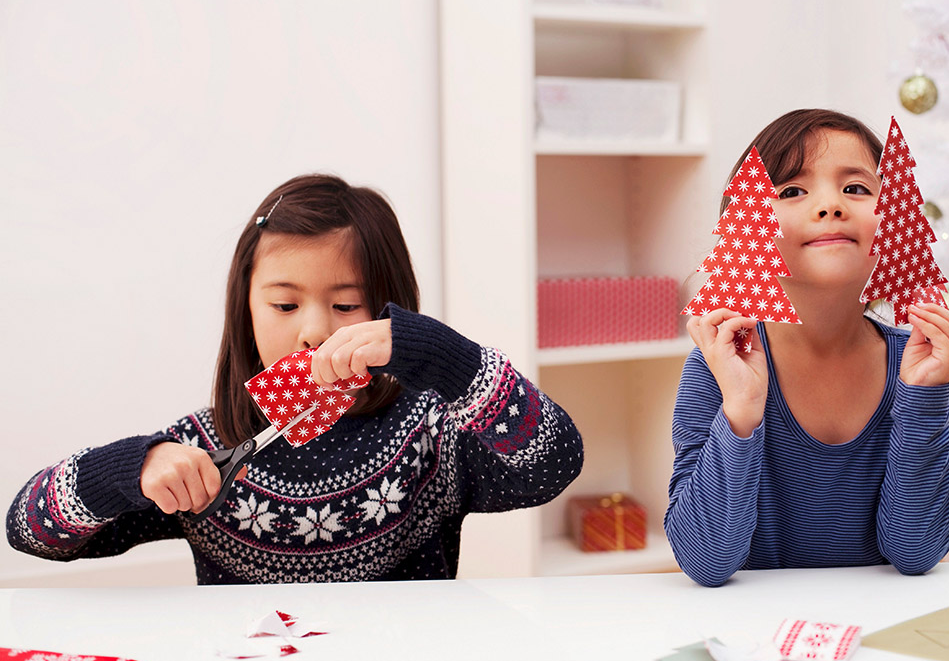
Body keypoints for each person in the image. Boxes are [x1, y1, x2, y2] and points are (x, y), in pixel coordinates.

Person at [7, 174, 583, 584]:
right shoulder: (205, 452)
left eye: (347, 305)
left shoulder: (432, 433)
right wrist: (130, 467)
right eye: (285, 306)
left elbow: (554, 462)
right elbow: (29, 532)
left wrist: (442, 356)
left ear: (391, 311)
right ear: (246, 313)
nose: (312, 333)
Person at [665, 109, 949, 587]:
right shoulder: (721, 366)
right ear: (746, 229)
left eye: (856, 188)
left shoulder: (919, 369)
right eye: (791, 191)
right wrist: (742, 412)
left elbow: (916, 551)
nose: (830, 206)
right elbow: (705, 562)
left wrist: (923, 398)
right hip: (754, 641)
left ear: (897, 224)